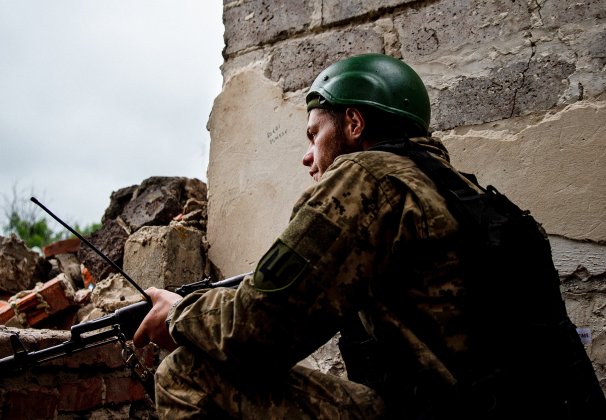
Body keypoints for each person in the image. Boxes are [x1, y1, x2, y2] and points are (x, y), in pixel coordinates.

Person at [133, 53, 605, 419]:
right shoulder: (461, 191)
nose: (307, 156)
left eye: (314, 134)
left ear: (354, 124)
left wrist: (179, 315)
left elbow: (261, 329)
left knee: (187, 374)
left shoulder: (369, 177)